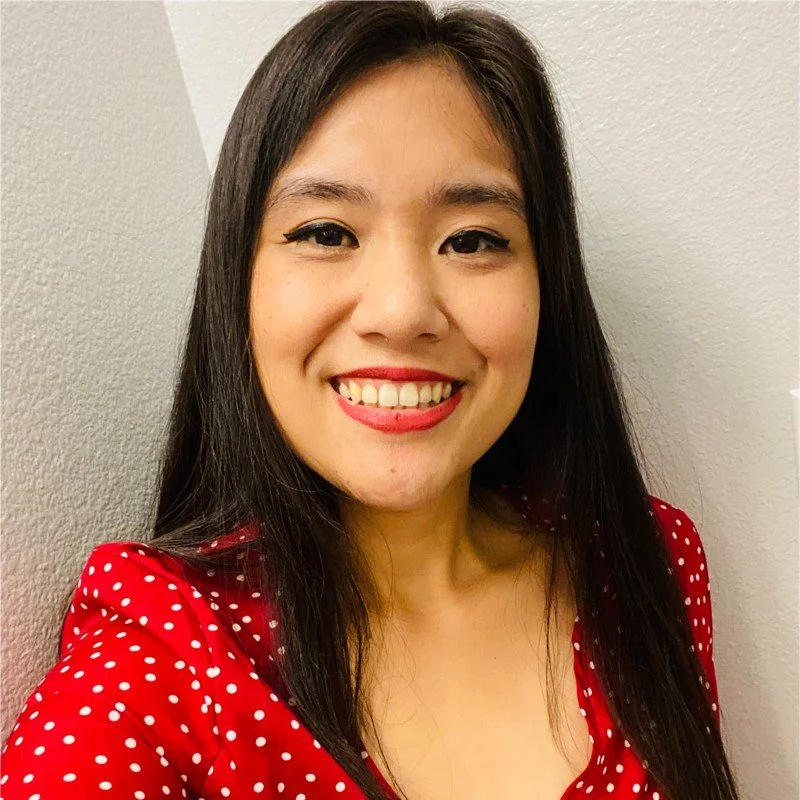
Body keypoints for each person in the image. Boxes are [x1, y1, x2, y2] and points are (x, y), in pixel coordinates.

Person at [0, 2, 742, 799]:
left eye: (472, 239)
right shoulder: (167, 652)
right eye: (325, 232)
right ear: (238, 285)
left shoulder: (646, 560)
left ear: (546, 285)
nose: (401, 311)